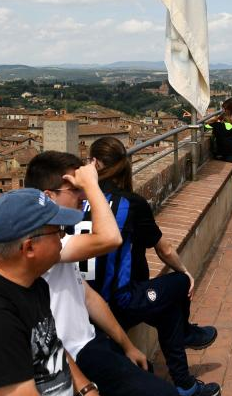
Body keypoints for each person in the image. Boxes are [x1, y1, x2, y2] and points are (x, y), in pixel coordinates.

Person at [23, 151, 179, 396]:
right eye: (75, 189)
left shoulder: (58, 235)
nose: (83, 196)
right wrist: (92, 185)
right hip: (68, 358)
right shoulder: (43, 245)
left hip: (90, 344)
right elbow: (111, 238)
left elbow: (88, 297)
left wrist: (127, 346)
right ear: (48, 197)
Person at [87, 137, 222, 396]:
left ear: (93, 164)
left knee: (168, 311)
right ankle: (186, 334)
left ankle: (185, 385)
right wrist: (186, 273)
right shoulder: (130, 203)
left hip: (89, 301)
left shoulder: (76, 201)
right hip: (119, 302)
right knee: (180, 283)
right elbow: (164, 249)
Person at [0, 188, 97, 396]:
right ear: (29, 248)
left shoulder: (31, 282)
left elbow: (51, 346)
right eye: (58, 230)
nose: (63, 236)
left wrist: (87, 389)